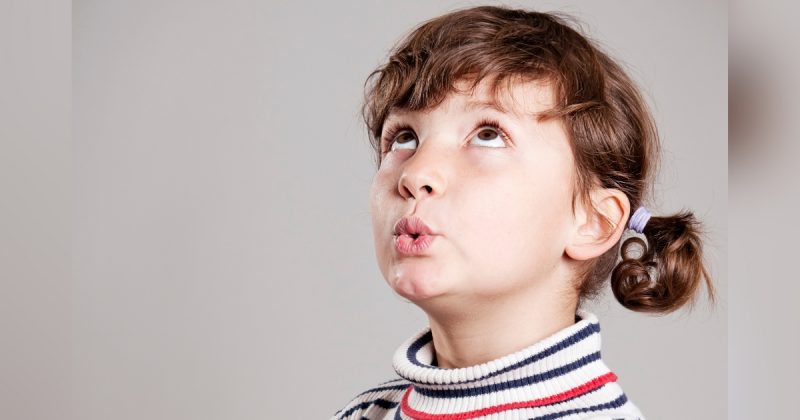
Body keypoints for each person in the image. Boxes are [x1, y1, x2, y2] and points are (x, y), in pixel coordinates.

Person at [332, 5, 716, 420]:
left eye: (488, 135)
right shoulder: (364, 413)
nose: (416, 173)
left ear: (595, 222)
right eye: (404, 137)